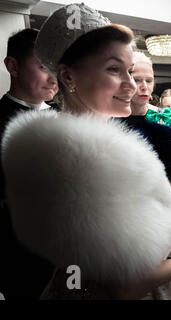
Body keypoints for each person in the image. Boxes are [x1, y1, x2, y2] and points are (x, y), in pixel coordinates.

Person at [1, 3, 171, 299]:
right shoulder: (71, 158)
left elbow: (148, 217)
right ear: (68, 77)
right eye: (113, 69)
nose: (132, 86)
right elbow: (121, 285)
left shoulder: (114, 139)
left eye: (131, 71)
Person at [0, 28, 58, 300]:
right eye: (43, 66)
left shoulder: (70, 116)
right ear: (13, 66)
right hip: (22, 261)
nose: (54, 77)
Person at [119, 52, 171, 218]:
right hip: (124, 205)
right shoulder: (112, 116)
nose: (144, 86)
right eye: (137, 79)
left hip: (162, 203)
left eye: (149, 80)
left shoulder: (165, 117)